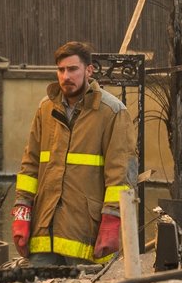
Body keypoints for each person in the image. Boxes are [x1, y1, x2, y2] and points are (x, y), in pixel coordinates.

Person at [11, 41, 137, 264]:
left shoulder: (112, 112)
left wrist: (113, 219)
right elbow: (29, 165)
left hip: (86, 234)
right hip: (44, 231)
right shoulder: (45, 109)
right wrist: (22, 211)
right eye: (61, 70)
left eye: (72, 69)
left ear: (89, 70)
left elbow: (121, 174)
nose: (66, 76)